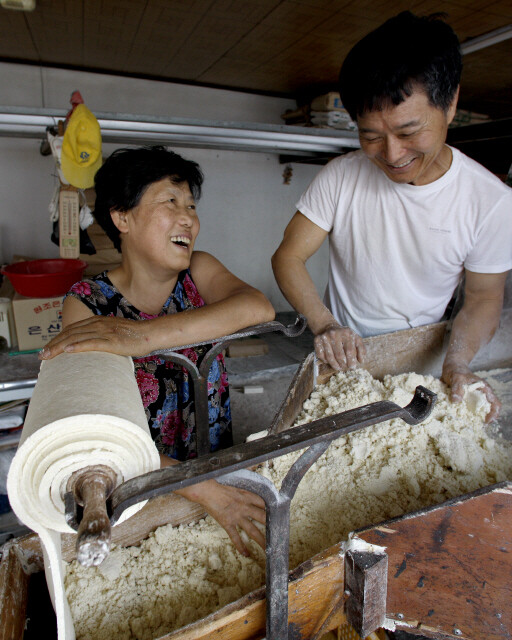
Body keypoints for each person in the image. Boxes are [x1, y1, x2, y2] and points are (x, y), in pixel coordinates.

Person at [272, 11, 512, 423]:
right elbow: (288, 257)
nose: (393, 155)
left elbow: (484, 297)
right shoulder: (342, 176)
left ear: (450, 103)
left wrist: (457, 364)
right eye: (371, 136)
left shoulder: (490, 201)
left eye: (408, 132)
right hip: (343, 358)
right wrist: (325, 325)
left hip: (424, 358)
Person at [40, 145, 275, 556]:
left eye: (191, 205)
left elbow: (258, 307)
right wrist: (209, 494)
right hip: (142, 494)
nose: (189, 218)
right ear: (122, 216)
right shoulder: (89, 304)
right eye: (171, 201)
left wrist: (139, 336)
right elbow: (99, 433)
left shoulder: (199, 273)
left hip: (217, 467)